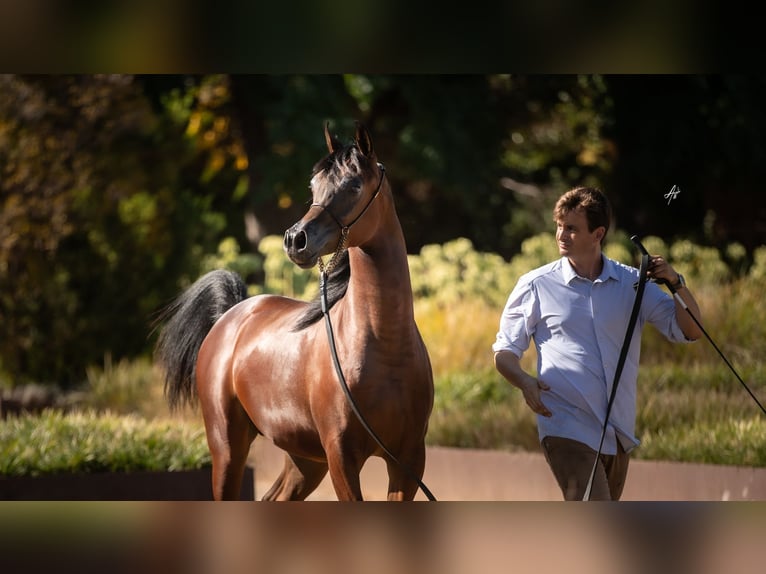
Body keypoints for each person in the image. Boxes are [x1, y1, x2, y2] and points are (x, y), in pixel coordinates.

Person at [492, 186, 703, 501]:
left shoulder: (633, 284)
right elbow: (504, 352)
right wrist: (524, 381)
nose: (561, 234)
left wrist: (675, 283)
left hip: (617, 431)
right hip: (564, 425)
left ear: (598, 233)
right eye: (559, 226)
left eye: (572, 228)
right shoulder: (535, 285)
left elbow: (690, 331)